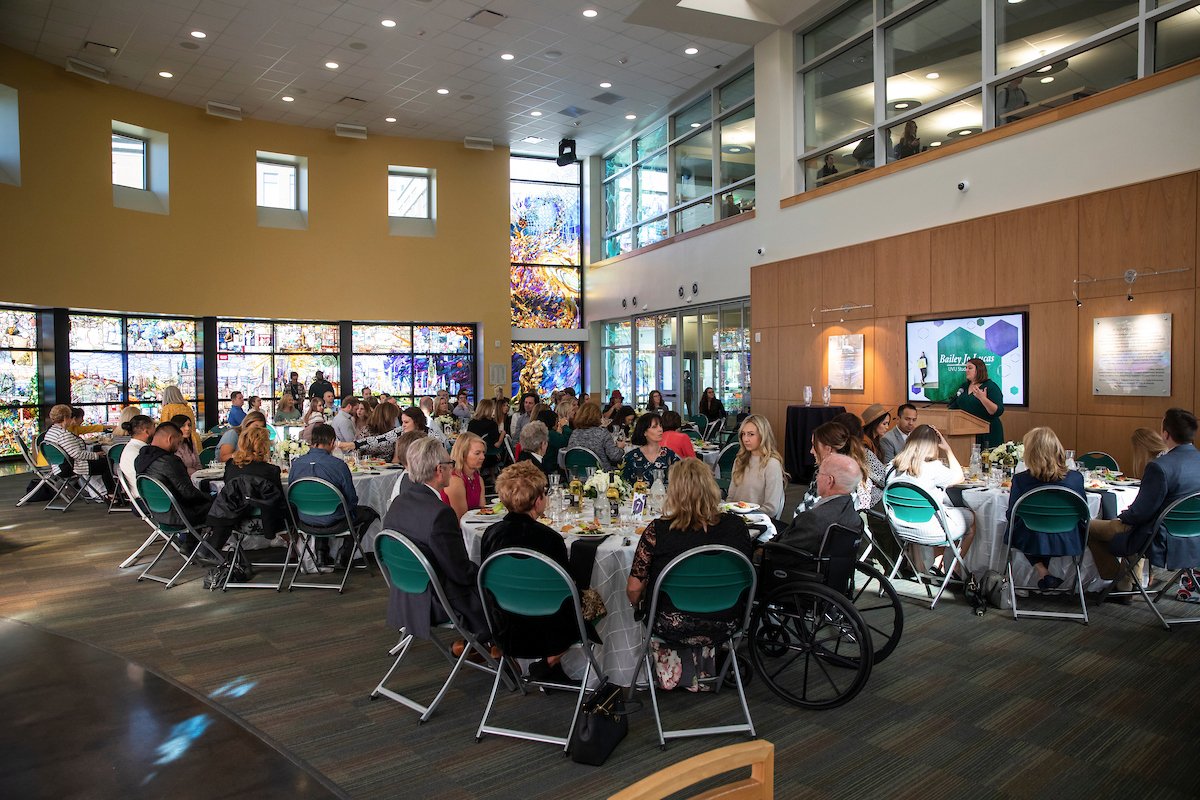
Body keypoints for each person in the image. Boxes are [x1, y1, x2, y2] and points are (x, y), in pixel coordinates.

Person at [627, 459, 755, 692]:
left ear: (673, 491)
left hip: (671, 624)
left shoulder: (659, 530)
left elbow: (634, 590)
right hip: (727, 621)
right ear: (712, 487)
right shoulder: (737, 526)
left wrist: (639, 605)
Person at [481, 461, 596, 673]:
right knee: (595, 598)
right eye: (545, 492)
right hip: (549, 629)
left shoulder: (491, 533)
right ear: (537, 501)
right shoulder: (549, 538)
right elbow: (568, 587)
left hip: (505, 625)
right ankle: (553, 661)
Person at [384, 436, 490, 644]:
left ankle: (478, 648)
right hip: (436, 600)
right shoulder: (440, 513)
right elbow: (460, 572)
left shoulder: (398, 503)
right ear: (439, 470)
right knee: (500, 590)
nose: (452, 468)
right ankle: (503, 652)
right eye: (450, 464)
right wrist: (486, 572)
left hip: (404, 592)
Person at [1088, 408, 1200, 588]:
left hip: (1158, 537)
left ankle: (1118, 578)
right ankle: (1126, 582)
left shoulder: (1160, 467)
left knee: (1085, 526)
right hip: (1195, 535)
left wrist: (1122, 517)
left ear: (1165, 434)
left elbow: (1140, 512)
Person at [886, 424, 975, 577]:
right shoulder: (932, 468)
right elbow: (959, 476)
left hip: (899, 527)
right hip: (929, 529)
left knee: (940, 511)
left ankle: (937, 563)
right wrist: (948, 449)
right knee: (970, 518)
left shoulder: (892, 466)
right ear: (933, 446)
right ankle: (954, 569)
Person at [1006, 427, 1087, 591]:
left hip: (1031, 537)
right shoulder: (1076, 478)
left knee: (1019, 527)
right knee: (1040, 525)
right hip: (1069, 537)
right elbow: (1084, 514)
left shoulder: (1021, 480)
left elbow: (1011, 515)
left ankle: (1042, 571)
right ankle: (1045, 574)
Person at [289, 423, 379, 570]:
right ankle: (344, 555)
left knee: (317, 505)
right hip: (335, 521)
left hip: (304, 519)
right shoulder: (338, 465)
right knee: (368, 513)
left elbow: (293, 498)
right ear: (332, 443)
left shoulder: (297, 464)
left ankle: (321, 554)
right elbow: (351, 500)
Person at [205, 425, 288, 557]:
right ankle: (297, 550)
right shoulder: (271, 470)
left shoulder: (231, 466)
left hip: (235, 520)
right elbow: (278, 501)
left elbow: (229, 492)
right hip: (265, 522)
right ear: (264, 446)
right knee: (293, 508)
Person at [134, 421, 213, 532]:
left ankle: (193, 543)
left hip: (156, 512)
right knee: (223, 505)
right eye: (178, 443)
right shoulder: (170, 461)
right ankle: (213, 545)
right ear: (170, 439)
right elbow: (188, 493)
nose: (177, 447)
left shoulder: (140, 459)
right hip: (180, 515)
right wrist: (210, 497)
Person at [777, 453, 864, 555]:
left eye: (819, 473)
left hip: (797, 567)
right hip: (836, 569)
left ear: (829, 481)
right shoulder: (855, 518)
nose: (817, 478)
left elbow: (781, 551)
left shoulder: (813, 518)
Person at [793, 421, 870, 517]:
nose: (811, 451)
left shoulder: (829, 477)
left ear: (828, 449)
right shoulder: (853, 471)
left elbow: (803, 515)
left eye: (814, 446)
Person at [43, 404, 116, 498]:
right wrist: (96, 455)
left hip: (58, 466)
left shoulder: (51, 432)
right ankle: (111, 494)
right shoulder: (64, 434)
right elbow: (77, 454)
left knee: (103, 462)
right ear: (65, 418)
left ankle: (103, 492)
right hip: (71, 467)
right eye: (69, 417)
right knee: (108, 463)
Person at [727, 414, 786, 518]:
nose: (745, 439)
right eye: (743, 434)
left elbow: (771, 509)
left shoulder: (772, 464)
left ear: (762, 436)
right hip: (735, 518)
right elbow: (731, 498)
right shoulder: (739, 461)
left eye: (751, 434)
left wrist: (744, 514)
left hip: (757, 520)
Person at [948, 357, 1005, 449]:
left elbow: (997, 411)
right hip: (967, 432)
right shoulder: (964, 386)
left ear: (979, 370)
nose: (966, 370)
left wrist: (982, 398)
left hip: (988, 433)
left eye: (970, 368)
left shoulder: (990, 386)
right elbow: (954, 406)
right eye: (966, 368)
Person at [833, 412, 885, 509]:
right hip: (871, 505)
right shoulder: (863, 454)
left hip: (840, 510)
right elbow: (884, 479)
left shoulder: (830, 456)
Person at [621, 413, 679, 485]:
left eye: (660, 426)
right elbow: (624, 485)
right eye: (654, 427)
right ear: (644, 432)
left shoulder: (670, 456)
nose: (660, 430)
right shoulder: (631, 457)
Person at [439, 431, 486, 519]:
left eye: (483, 453)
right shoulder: (454, 480)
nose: (482, 457)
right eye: (477, 453)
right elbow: (461, 519)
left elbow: (483, 511)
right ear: (463, 455)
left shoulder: (478, 478)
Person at [567, 401, 625, 471]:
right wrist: (620, 448)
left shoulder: (574, 433)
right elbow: (615, 456)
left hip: (576, 476)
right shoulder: (602, 433)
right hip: (600, 476)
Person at [118, 414, 155, 500]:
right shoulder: (140, 452)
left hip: (139, 496)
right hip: (147, 498)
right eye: (154, 427)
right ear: (146, 432)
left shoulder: (131, 448)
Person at [159, 384, 202, 454]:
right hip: (193, 439)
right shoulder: (187, 407)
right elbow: (193, 425)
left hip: (177, 441)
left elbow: (164, 428)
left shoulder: (167, 408)